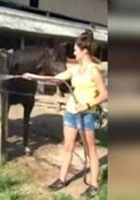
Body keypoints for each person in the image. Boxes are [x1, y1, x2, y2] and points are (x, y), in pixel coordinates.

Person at [22, 29, 107, 198]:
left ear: (84, 51)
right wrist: (33, 76)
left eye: (75, 49)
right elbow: (56, 78)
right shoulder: (75, 69)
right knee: (67, 147)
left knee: (91, 151)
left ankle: (94, 184)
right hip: (70, 113)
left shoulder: (93, 70)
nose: (73, 52)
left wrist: (88, 104)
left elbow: (105, 94)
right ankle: (61, 179)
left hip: (86, 115)